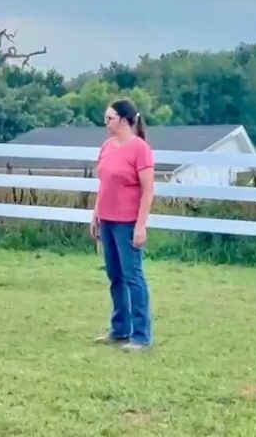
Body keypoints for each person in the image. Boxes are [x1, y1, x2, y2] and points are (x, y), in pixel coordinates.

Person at [90, 98, 155, 352]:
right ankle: (119, 329)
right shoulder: (107, 146)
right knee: (114, 276)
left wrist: (140, 226)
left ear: (125, 120)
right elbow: (104, 184)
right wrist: (96, 213)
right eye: (105, 119)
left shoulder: (140, 149)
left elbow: (148, 190)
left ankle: (141, 335)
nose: (106, 123)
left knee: (133, 276)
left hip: (127, 221)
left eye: (110, 119)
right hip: (107, 219)